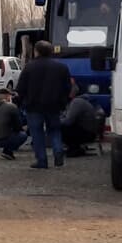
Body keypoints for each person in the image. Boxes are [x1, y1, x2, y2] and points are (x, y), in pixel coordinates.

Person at [16, 40, 72, 169]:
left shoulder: (29, 67)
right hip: (54, 105)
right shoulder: (61, 68)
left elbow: (21, 88)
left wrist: (20, 102)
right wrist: (63, 102)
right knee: (55, 130)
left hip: (33, 106)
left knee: (37, 133)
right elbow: (67, 87)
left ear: (36, 51)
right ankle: (58, 152)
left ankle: (42, 160)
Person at [0, 86, 27, 160]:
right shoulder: (12, 107)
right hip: (4, 139)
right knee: (22, 135)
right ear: (7, 96)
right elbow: (18, 126)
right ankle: (7, 151)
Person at [61, 83, 104, 157]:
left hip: (87, 134)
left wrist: (55, 121)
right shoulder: (80, 101)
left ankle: (74, 149)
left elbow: (68, 120)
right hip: (90, 132)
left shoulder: (77, 102)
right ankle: (74, 148)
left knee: (62, 128)